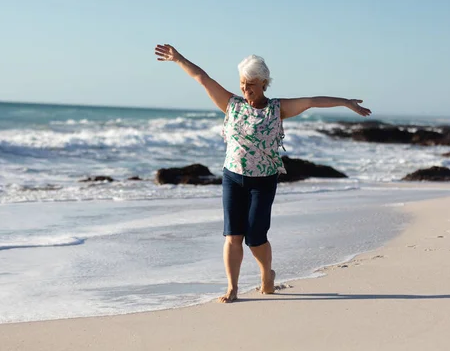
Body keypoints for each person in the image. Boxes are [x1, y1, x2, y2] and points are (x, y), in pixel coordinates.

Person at [154, 44, 371, 303]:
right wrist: (178, 58)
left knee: (256, 237)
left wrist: (346, 103)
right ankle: (232, 288)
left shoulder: (277, 109)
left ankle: (267, 275)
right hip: (233, 177)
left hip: (264, 181)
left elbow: (312, 102)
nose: (246, 90)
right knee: (233, 235)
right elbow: (202, 77)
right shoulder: (231, 105)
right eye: (243, 84)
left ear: (264, 83)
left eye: (251, 85)